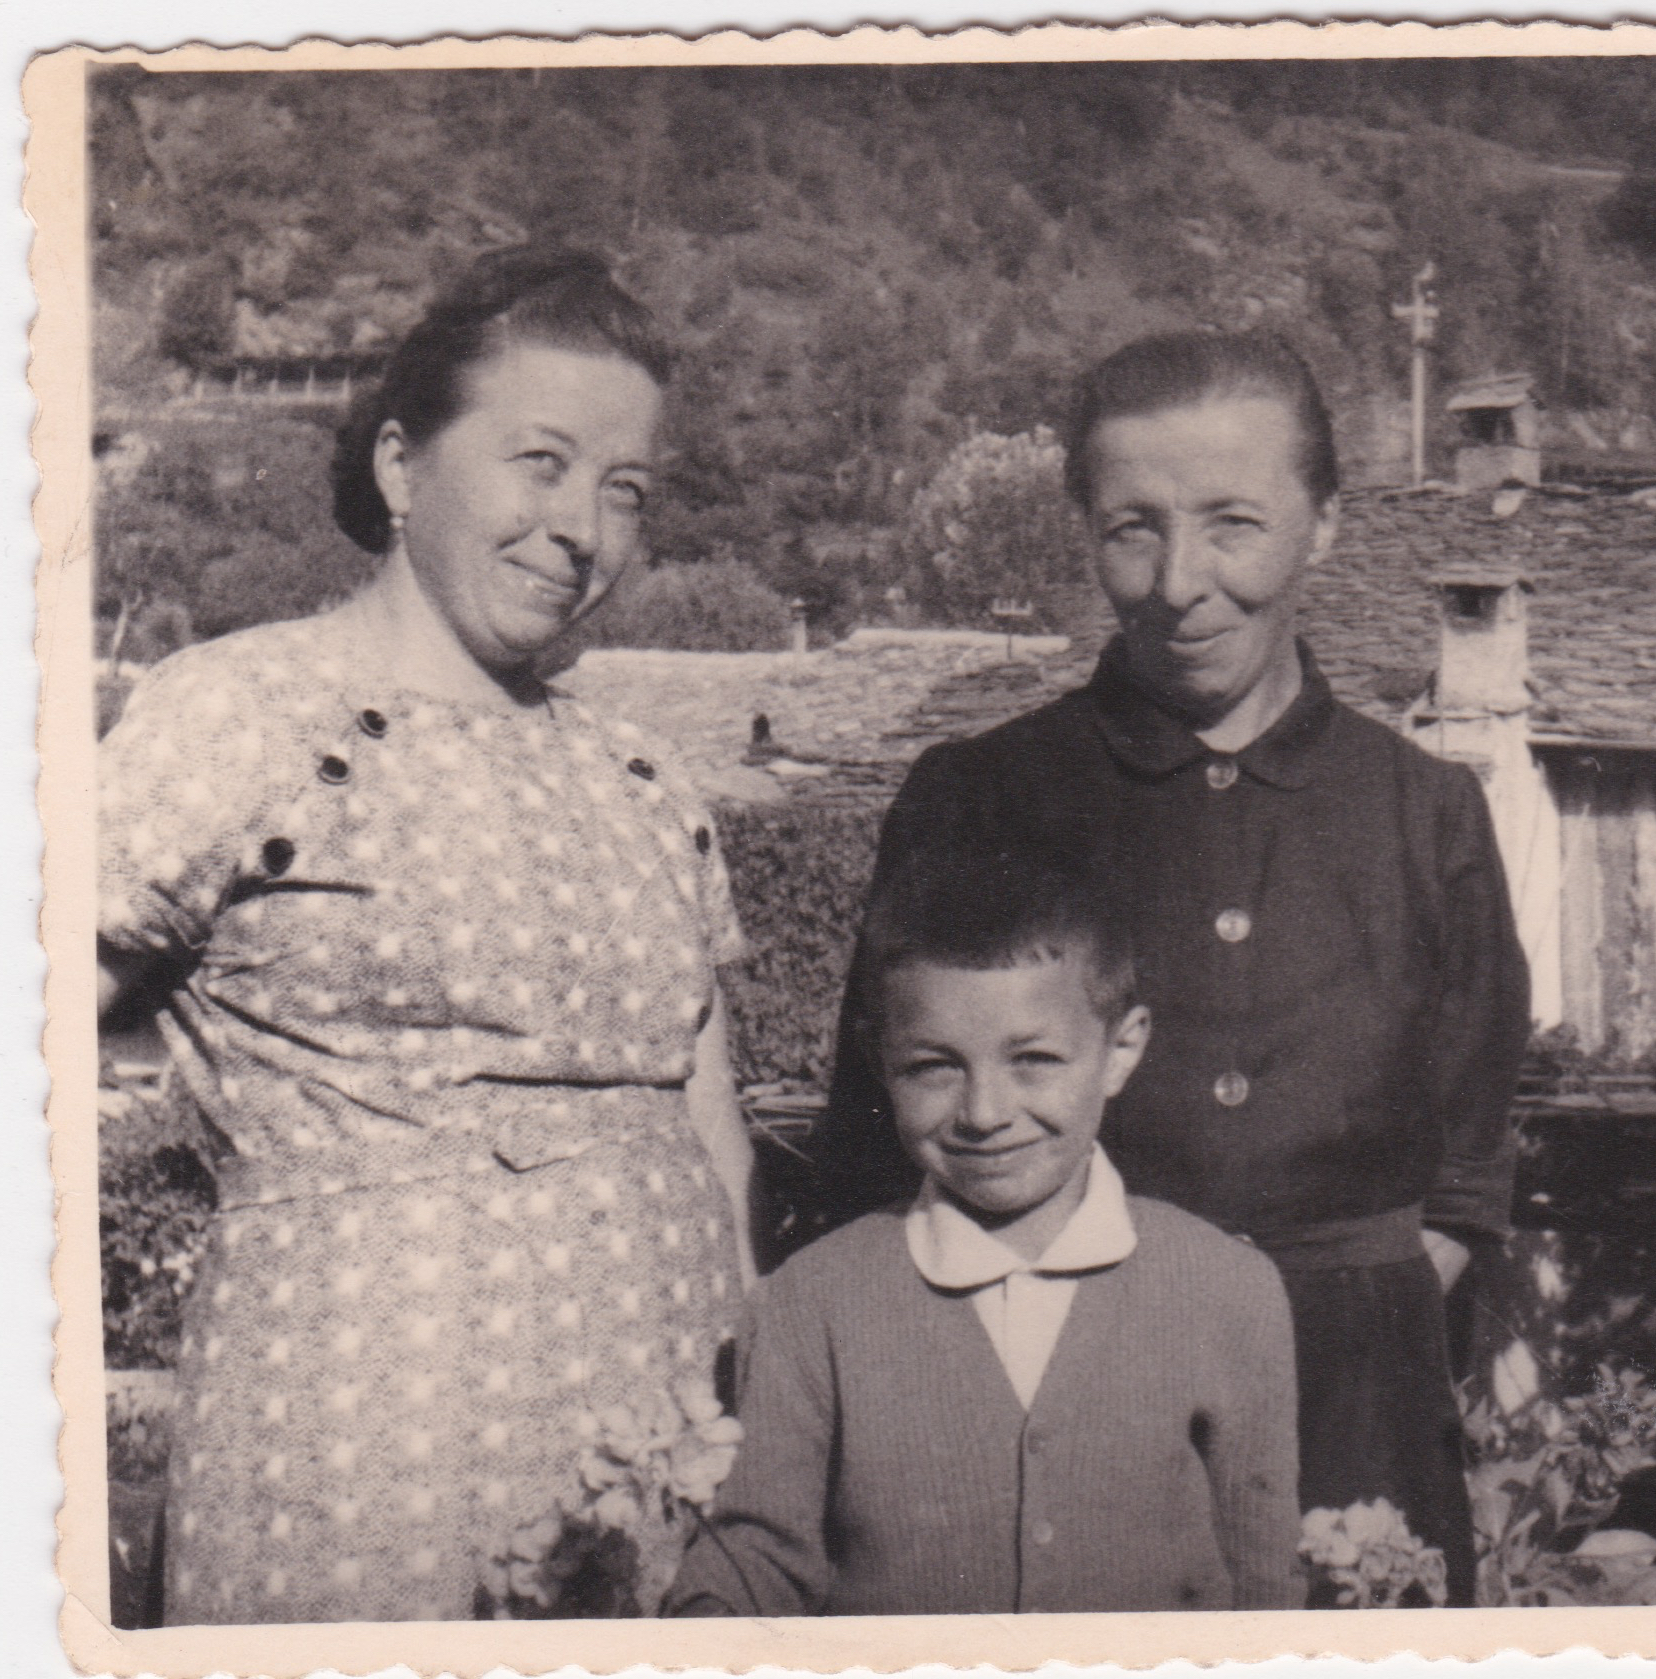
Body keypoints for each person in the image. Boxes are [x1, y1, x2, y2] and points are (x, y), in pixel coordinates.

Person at [816, 331, 1531, 1605]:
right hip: (1043, 1395)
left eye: (1232, 524)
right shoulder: (977, 796)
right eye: (1130, 530)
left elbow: (1465, 1176)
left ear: (1322, 524)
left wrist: (1339, 1316)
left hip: (1355, 1413)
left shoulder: (1426, 817)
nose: (1178, 583)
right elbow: (876, 1144)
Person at [96, 247, 756, 1624]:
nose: (580, 528)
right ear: (402, 465)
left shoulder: (642, 774)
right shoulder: (240, 712)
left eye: (624, 489)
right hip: (360, 1453)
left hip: (660, 1447)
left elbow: (711, 1118)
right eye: (540, 463)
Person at [668, 833, 1300, 1615]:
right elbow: (758, 1555)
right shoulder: (810, 1302)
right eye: (934, 1066)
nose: (985, 1112)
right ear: (881, 1059)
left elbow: (1264, 1583)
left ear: (1121, 1048)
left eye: (1033, 1059)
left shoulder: (1228, 1290)